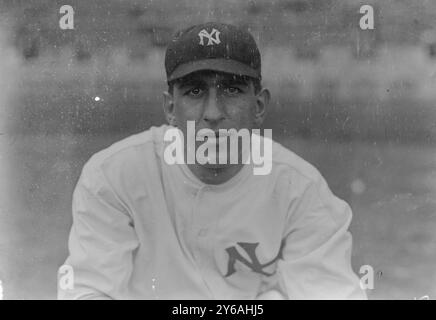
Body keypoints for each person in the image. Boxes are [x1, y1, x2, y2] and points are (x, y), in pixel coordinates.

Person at [58, 22, 367, 300]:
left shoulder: (300, 190)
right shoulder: (114, 175)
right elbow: (87, 290)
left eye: (232, 90)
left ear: (259, 106)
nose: (213, 113)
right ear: (169, 108)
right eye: (194, 91)